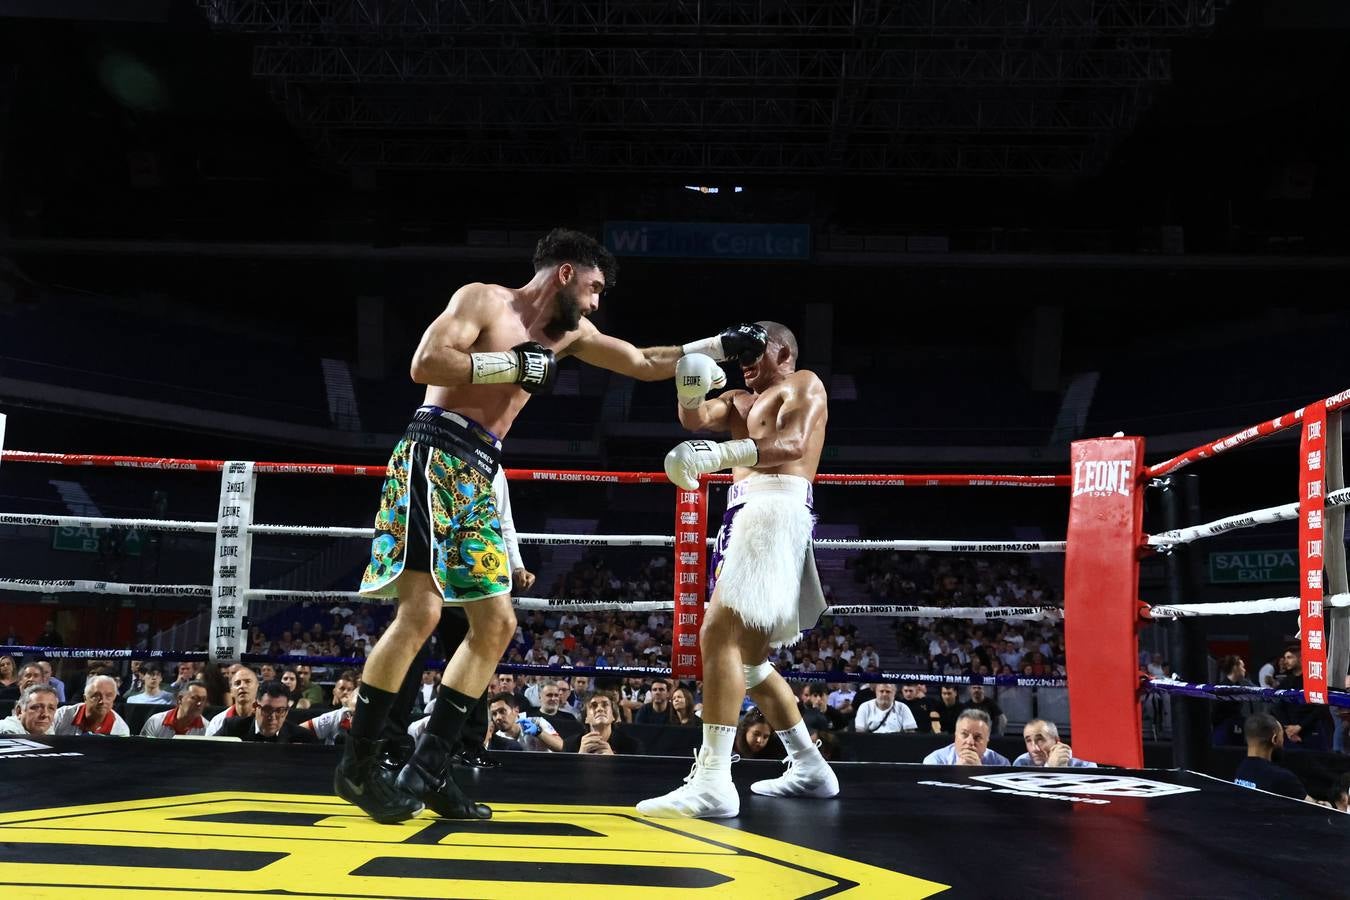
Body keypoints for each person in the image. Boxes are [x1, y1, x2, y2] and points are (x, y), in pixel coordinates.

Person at [336, 226, 766, 824]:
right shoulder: (483, 299)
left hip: (480, 469)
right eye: (592, 289)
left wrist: (720, 344)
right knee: (424, 611)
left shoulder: (572, 336)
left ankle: (429, 768)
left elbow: (644, 363)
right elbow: (424, 363)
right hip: (433, 452)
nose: (595, 304)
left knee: (495, 623)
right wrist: (507, 364)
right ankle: (358, 764)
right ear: (565, 273)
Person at [638, 321, 839, 819]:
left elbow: (791, 445)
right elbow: (695, 420)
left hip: (775, 509)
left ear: (784, 351)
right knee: (749, 662)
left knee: (717, 635)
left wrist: (720, 454)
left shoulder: (803, 384)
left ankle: (712, 781)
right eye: (740, 353)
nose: (746, 361)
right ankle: (810, 766)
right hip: (741, 517)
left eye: (756, 350)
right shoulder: (736, 400)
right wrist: (688, 384)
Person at [1234, 712, 1311, 802]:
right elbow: (1318, 808)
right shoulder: (1282, 778)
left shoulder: (1241, 771)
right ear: (1274, 739)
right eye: (1282, 737)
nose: (1283, 743)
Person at [1013, 719, 1096, 767]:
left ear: (1057, 741)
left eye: (1040, 740)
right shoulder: (1022, 762)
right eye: (1028, 741)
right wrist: (1050, 768)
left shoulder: (1085, 763)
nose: (1034, 749)